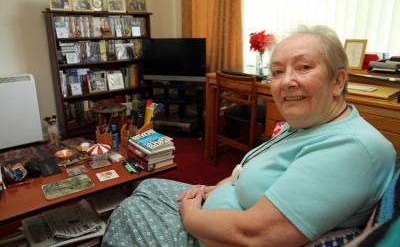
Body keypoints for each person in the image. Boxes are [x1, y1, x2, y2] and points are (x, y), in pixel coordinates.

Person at [102, 26, 396, 247]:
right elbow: (253, 170)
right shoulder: (312, 123)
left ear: (339, 80)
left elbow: (252, 234)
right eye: (278, 71)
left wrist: (190, 214)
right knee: (147, 185)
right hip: (217, 208)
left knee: (128, 211)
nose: (287, 81)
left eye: (304, 67)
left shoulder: (350, 149)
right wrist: (212, 187)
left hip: (213, 237)